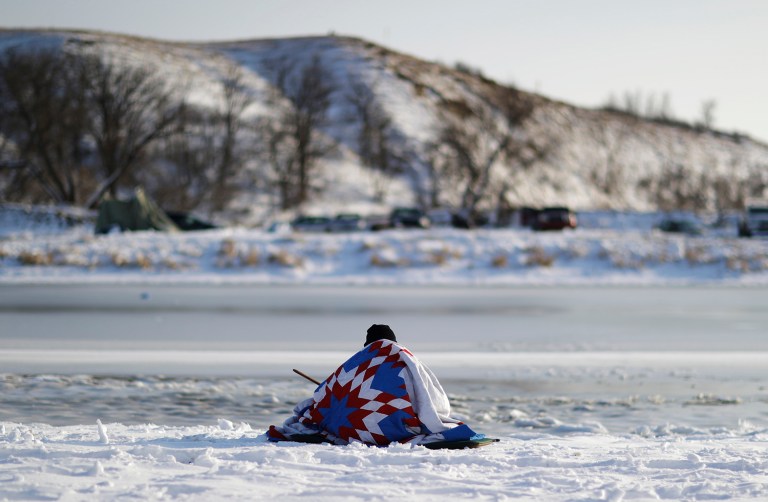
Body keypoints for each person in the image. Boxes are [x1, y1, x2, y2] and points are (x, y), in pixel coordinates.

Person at [268, 324, 482, 446]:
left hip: (355, 431)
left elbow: (322, 397)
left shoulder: (356, 365)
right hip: (399, 429)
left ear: (367, 344)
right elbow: (434, 402)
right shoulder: (406, 360)